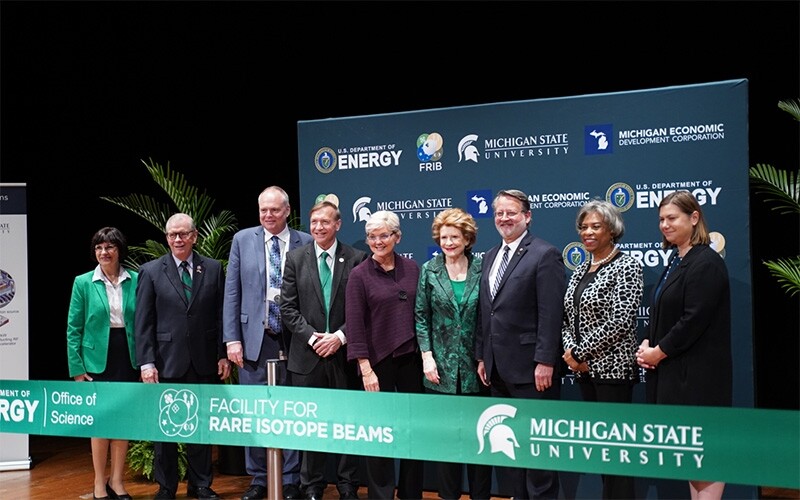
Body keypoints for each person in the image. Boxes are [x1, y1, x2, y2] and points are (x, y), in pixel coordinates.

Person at [636, 191, 732, 500]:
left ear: (694, 218)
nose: (664, 225)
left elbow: (693, 320)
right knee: (690, 459)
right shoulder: (677, 261)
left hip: (699, 382)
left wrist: (658, 352)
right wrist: (648, 344)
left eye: (672, 218)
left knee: (704, 459)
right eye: (661, 219)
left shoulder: (706, 263)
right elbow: (664, 312)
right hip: (676, 378)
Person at [476, 189, 565, 500]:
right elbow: (486, 311)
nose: (504, 218)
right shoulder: (489, 256)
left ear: (527, 216)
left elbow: (551, 313)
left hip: (532, 370)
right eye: (499, 213)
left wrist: (546, 360)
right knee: (513, 454)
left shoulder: (545, 253)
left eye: (511, 212)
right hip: (497, 369)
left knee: (538, 451)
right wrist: (482, 357)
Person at [223, 186, 312, 500]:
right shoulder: (242, 240)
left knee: (292, 411)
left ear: (287, 210)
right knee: (254, 411)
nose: (268, 216)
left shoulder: (307, 242)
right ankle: (259, 478)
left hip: (295, 340)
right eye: (263, 210)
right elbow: (232, 292)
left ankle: (290, 479)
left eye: (274, 210)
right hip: (253, 340)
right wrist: (232, 338)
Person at [136, 213, 231, 500]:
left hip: (203, 361)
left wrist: (223, 355)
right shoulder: (151, 271)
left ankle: (201, 484)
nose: (178, 239)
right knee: (164, 429)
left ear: (195, 236)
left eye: (183, 234)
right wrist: (147, 362)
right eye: (172, 235)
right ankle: (166, 487)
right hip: (165, 362)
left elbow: (220, 315)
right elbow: (143, 321)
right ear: (167, 238)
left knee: (200, 425)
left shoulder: (213, 269)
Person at [280, 200, 367, 500]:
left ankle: (347, 484)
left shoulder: (356, 258)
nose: (318, 227)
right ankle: (312, 484)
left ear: (338, 224)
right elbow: (287, 309)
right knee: (310, 424)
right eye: (315, 222)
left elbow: (361, 311)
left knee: (347, 423)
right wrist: (314, 338)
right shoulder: (295, 258)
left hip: (344, 355)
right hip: (307, 356)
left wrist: (340, 337)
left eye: (325, 222)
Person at [561, 200, 643, 499]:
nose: (588, 232)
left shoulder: (627, 266)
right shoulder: (582, 267)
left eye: (596, 226)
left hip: (613, 370)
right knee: (601, 449)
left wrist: (580, 353)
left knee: (617, 451)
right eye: (584, 227)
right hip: (583, 371)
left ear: (612, 229)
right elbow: (568, 317)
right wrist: (571, 352)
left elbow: (620, 321)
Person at [345, 210, 424, 500]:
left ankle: (411, 492)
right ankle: (380, 494)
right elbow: (354, 325)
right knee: (379, 433)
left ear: (397, 237)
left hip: (410, 360)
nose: (377, 241)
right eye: (372, 236)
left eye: (384, 235)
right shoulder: (359, 275)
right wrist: (366, 369)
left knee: (412, 431)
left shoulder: (413, 268)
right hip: (376, 364)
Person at [414, 208, 492, 500]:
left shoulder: (483, 267)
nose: (448, 242)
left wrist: (484, 356)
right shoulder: (429, 270)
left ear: (467, 238)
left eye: (454, 237)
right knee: (447, 444)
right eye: (443, 237)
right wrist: (426, 356)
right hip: (440, 371)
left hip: (477, 368)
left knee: (478, 442)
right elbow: (421, 316)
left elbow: (489, 316)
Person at [66, 227, 138, 500]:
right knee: (100, 423)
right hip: (96, 361)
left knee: (122, 422)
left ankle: (117, 482)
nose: (103, 253)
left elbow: (143, 323)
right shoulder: (83, 282)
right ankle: (99, 483)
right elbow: (73, 328)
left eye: (109, 247)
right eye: (99, 248)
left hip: (127, 357)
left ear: (119, 250)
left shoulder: (136, 279)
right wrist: (77, 368)